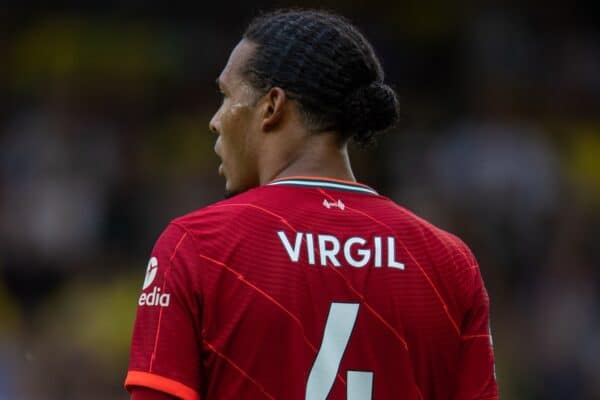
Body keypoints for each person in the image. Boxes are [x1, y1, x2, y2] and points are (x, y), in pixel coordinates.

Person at [125, 9, 498, 400]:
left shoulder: (198, 247)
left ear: (271, 106)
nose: (215, 121)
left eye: (226, 96)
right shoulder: (449, 263)